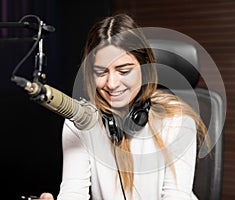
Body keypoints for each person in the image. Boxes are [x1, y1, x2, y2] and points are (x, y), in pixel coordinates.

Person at [39, 13, 209, 200]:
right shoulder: (80, 121)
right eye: (101, 72)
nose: (111, 84)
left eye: (124, 71)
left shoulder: (177, 120)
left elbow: (176, 196)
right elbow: (73, 192)